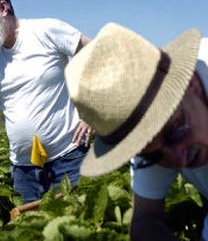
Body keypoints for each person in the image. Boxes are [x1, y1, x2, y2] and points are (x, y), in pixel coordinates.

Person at [64, 22, 208, 240]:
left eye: (174, 132)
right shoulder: (155, 144)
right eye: (151, 155)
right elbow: (145, 218)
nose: (177, 158)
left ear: (190, 85)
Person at [0, 0, 92, 204]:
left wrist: (94, 111)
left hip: (68, 158)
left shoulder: (45, 30)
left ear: (3, 8)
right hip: (24, 171)